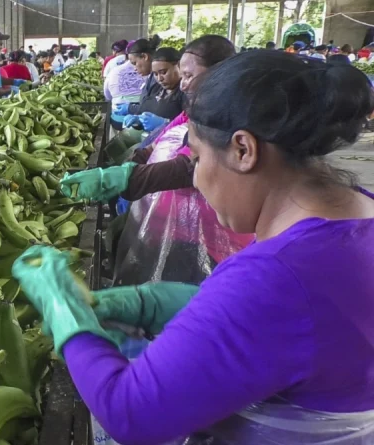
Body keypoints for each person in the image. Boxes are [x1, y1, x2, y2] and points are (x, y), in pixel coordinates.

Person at [15, 49, 374, 445]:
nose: (197, 180)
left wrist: (65, 312)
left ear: (243, 150)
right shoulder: (358, 211)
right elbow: (304, 327)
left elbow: (130, 414)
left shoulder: (277, 276)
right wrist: (170, 304)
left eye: (198, 158)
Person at [67, 35, 253, 286]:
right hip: (170, 226)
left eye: (189, 76)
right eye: (182, 75)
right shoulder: (194, 110)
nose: (184, 85)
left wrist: (128, 178)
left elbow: (189, 167)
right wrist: (132, 162)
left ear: (219, 73)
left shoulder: (230, 117)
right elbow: (159, 140)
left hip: (207, 237)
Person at [120, 47, 185, 132]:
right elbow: (147, 110)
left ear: (179, 66)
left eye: (163, 72)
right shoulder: (157, 88)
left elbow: (192, 128)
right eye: (155, 74)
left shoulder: (186, 92)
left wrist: (166, 123)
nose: (159, 79)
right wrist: (139, 121)